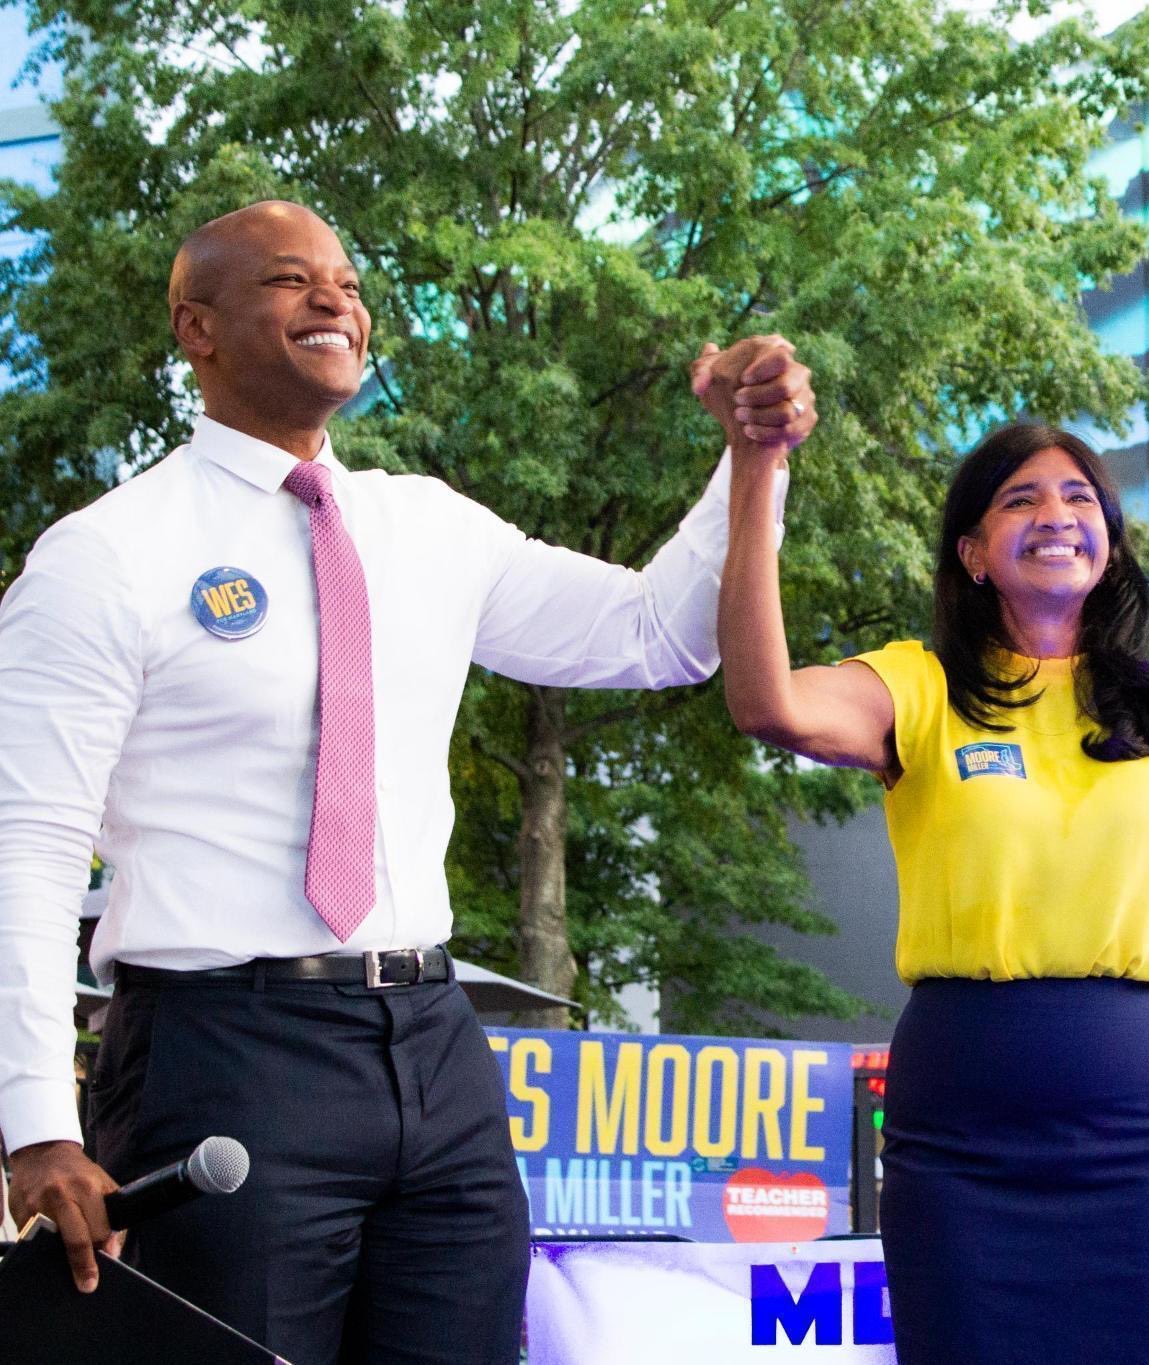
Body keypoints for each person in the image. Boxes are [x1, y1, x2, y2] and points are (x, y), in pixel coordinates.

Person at [0, 200, 815, 1365]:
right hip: (222, 1051)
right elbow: (23, 851)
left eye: (346, 279)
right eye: (290, 280)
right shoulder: (105, 556)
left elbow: (656, 637)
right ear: (198, 328)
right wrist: (35, 1123)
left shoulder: (428, 526)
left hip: (434, 1045)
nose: (335, 299)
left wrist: (751, 461)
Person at [696, 391, 1149, 1363]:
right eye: (1019, 499)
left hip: (1139, 1136)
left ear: (1107, 541)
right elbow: (765, 704)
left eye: (1078, 497)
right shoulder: (916, 689)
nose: (1056, 514)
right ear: (972, 552)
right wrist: (758, 469)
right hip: (961, 1129)